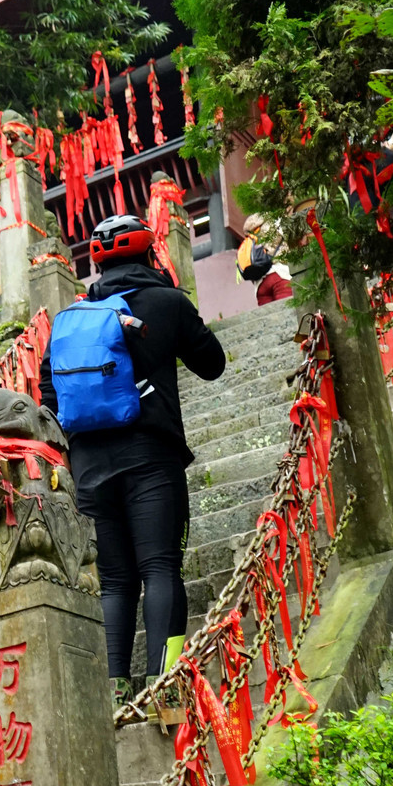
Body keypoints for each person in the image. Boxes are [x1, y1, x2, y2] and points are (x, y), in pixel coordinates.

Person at [40, 211, 226, 703]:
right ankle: (163, 686)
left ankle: (112, 687)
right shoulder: (167, 302)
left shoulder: (71, 318)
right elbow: (213, 365)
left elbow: (47, 392)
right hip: (150, 456)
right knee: (161, 567)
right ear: (149, 252)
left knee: (115, 581)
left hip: (89, 468)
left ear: (98, 263)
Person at [236, 212, 293, 306]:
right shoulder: (272, 224)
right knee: (288, 313)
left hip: (260, 286)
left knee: (268, 319)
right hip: (280, 275)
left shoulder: (251, 236)